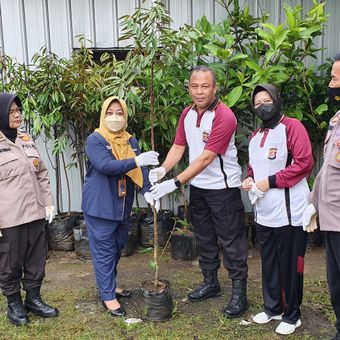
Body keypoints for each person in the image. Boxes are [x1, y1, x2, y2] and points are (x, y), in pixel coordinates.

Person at [150, 66, 249, 318]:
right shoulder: (187, 113)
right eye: (195, 86)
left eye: (205, 86)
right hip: (200, 189)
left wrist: (174, 183)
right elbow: (178, 146)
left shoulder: (224, 116)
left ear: (215, 88)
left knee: (231, 240)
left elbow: (206, 158)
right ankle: (211, 283)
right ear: (189, 87)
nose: (200, 91)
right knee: (204, 237)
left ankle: (240, 293)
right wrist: (162, 170)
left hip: (223, 189)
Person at [242, 84, 314, 335]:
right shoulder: (255, 136)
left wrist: (270, 181)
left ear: (277, 100)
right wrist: (249, 179)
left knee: (290, 264)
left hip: (290, 212)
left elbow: (304, 163)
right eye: (257, 103)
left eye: (267, 100)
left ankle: (293, 314)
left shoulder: (292, 127)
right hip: (264, 212)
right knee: (269, 261)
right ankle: (273, 308)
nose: (263, 106)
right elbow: (255, 168)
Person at [81, 96, 159, 317]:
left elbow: (140, 171)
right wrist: (136, 161)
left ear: (125, 116)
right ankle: (107, 295)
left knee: (116, 248)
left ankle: (109, 284)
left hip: (122, 207)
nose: (114, 117)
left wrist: (148, 192)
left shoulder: (130, 141)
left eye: (119, 113)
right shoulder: (95, 140)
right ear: (103, 114)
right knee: (104, 251)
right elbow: (105, 166)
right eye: (110, 112)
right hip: (100, 207)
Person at [0, 92, 58, 326]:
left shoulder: (26, 139)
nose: (17, 115)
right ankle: (14, 303)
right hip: (9, 218)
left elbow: (41, 173)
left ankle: (33, 298)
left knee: (36, 258)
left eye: (18, 111)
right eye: (11, 112)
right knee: (10, 262)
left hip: (34, 212)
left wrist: (48, 202)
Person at [303, 53, 340, 340]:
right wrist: (314, 204)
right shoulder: (336, 121)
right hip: (331, 221)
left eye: (335, 78)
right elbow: (327, 170)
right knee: (335, 284)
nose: (330, 83)